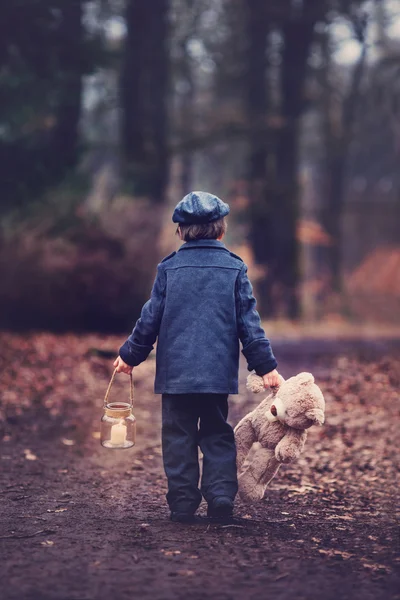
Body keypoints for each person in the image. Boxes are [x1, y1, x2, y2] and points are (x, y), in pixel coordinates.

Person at [114, 191, 280, 523]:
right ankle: (220, 497)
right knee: (217, 433)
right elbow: (249, 323)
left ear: (180, 231)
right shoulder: (234, 268)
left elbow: (151, 319)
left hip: (176, 376)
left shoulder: (169, 269)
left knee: (178, 437)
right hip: (215, 375)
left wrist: (130, 355)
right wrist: (266, 367)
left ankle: (183, 503)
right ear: (222, 229)